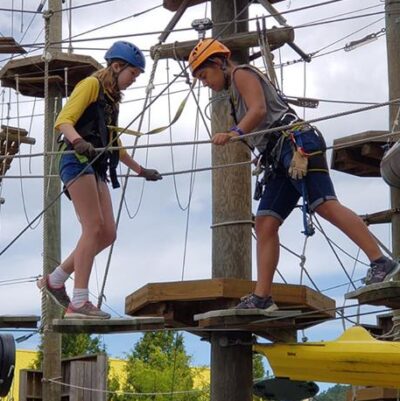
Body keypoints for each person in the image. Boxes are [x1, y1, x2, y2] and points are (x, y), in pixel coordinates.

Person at [188, 38, 400, 310]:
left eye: (204, 75)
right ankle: (262, 298)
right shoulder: (231, 94)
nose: (204, 82)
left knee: (324, 205)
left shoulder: (241, 73)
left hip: (296, 142)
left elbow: (260, 109)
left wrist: (234, 133)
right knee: (265, 223)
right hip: (279, 155)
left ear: (219, 63)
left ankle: (380, 261)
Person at [37, 41, 162, 319]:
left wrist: (141, 171)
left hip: (96, 164)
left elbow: (114, 144)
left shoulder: (110, 99)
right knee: (92, 227)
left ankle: (56, 279)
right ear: (117, 67)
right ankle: (78, 302)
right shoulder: (90, 85)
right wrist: (78, 141)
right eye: (133, 73)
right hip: (76, 159)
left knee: (107, 233)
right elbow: (64, 120)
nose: (134, 80)